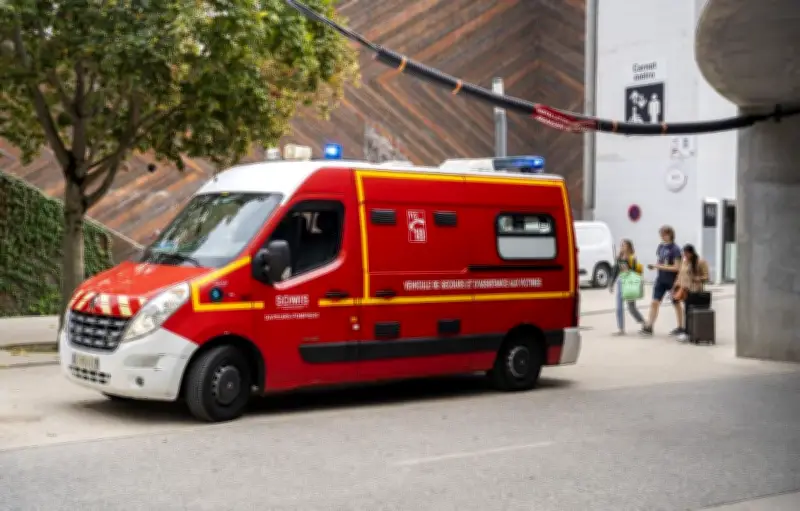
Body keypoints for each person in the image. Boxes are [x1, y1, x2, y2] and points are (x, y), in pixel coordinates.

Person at [640, 225, 683, 336]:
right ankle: (649, 326)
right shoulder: (661, 247)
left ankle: (680, 327)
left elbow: (677, 267)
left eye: (664, 234)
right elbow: (660, 262)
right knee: (655, 302)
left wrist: (658, 267)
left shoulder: (676, 249)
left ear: (670, 235)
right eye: (661, 234)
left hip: (673, 280)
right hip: (661, 279)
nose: (662, 236)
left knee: (676, 303)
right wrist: (655, 266)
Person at [607, 239, 645, 335]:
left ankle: (644, 323)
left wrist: (627, 269)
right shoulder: (619, 257)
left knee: (631, 308)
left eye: (624, 245)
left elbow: (635, 271)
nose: (622, 247)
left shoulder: (632, 257)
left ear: (629, 247)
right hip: (621, 281)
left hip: (629, 282)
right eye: (621, 245)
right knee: (619, 306)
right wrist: (611, 283)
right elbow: (615, 270)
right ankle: (621, 329)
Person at [672, 244, 710, 342]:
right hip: (684, 290)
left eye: (687, 253)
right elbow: (680, 275)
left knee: (690, 311)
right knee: (687, 311)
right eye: (684, 253)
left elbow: (706, 277)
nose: (685, 255)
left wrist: (696, 278)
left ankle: (689, 332)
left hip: (695, 290)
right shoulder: (684, 262)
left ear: (692, 253)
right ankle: (687, 332)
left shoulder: (700, 262)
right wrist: (675, 285)